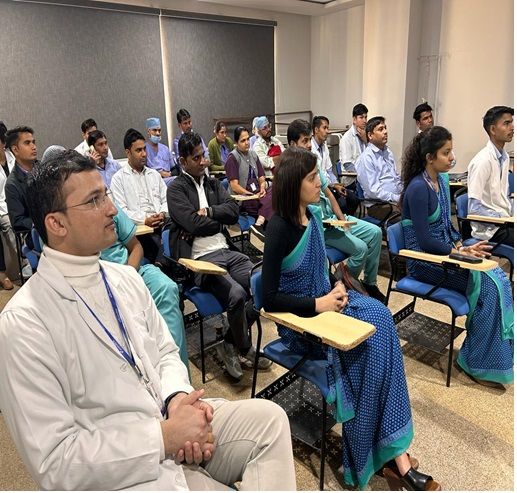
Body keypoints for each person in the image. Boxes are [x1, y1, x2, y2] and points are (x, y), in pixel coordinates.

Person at [0, 150, 296, 491]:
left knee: (269, 421)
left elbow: (166, 351)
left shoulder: (124, 278)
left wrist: (177, 399)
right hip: (124, 466)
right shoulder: (25, 323)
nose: (112, 209)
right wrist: (163, 438)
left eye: (106, 195)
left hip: (167, 414)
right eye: (94, 200)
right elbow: (56, 462)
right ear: (56, 224)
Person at [262, 147, 440, 491]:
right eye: (312, 178)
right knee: (369, 350)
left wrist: (337, 285)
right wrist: (319, 303)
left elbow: (320, 267)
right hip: (303, 324)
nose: (320, 182)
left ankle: (390, 450)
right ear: (294, 184)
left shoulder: (313, 217)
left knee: (382, 320)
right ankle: (376, 455)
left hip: (327, 302)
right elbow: (269, 298)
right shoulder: (279, 228)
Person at [400, 126, 513, 387]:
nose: (452, 158)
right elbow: (425, 241)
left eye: (451, 151)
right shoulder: (418, 189)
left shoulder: (440, 181)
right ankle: (476, 363)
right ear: (430, 157)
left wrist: (462, 246)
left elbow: (447, 226)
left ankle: (488, 358)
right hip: (424, 262)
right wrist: (459, 253)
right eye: (446, 152)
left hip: (444, 254)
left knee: (497, 277)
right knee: (487, 286)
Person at [167, 131, 272, 381]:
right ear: (182, 161)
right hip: (200, 259)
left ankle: (230, 342)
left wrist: (210, 213)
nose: (203, 161)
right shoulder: (176, 190)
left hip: (226, 249)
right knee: (236, 294)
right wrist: (216, 220)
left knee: (265, 284)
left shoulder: (213, 183)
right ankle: (244, 347)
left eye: (203, 155)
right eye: (196, 158)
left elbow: (233, 212)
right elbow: (192, 223)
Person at [289, 119, 384, 300]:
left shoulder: (313, 164)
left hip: (333, 219)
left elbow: (330, 195)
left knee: (376, 233)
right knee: (361, 249)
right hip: (321, 227)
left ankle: (369, 283)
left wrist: (342, 220)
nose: (309, 145)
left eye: (309, 140)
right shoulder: (291, 174)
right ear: (293, 144)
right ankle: (343, 282)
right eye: (304, 141)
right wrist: (331, 223)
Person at [101, 205, 189, 369]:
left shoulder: (111, 210)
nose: (110, 207)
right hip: (100, 283)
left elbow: (136, 247)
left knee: (166, 288)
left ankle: (179, 371)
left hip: (130, 270)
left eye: (105, 194)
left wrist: (128, 276)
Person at [111, 128, 168, 264]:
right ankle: (162, 264)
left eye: (144, 149)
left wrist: (162, 213)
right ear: (128, 152)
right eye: (138, 150)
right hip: (140, 230)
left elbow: (166, 199)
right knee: (161, 242)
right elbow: (122, 212)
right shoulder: (118, 179)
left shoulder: (154, 174)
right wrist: (145, 219)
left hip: (162, 223)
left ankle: (162, 264)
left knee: (177, 231)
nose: (144, 154)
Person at [467, 106, 514, 246]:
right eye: (506, 123)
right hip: (490, 229)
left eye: (511, 122)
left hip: (505, 222)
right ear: (493, 129)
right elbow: (474, 209)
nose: (512, 127)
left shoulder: (504, 157)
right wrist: (501, 216)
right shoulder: (482, 161)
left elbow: (503, 197)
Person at [225, 126, 272, 239]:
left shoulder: (253, 154)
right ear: (236, 143)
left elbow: (261, 176)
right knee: (269, 206)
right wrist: (251, 195)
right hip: (244, 200)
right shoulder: (233, 158)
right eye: (243, 140)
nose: (247, 143)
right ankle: (261, 222)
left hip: (257, 194)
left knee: (275, 190)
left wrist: (262, 187)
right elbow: (234, 186)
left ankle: (259, 223)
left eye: (247, 139)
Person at [356, 116, 403, 220]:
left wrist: (405, 192)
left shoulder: (388, 152)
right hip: (379, 205)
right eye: (381, 129)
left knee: (421, 207)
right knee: (409, 218)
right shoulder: (366, 158)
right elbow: (373, 191)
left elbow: (395, 178)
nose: (385, 132)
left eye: (385, 128)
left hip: (394, 201)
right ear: (370, 135)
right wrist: (396, 198)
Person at [312, 115, 359, 216]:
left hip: (330, 185)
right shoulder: (311, 148)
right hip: (321, 187)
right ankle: (340, 222)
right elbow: (318, 176)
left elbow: (329, 171)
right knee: (342, 204)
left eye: (328, 128)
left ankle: (347, 220)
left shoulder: (324, 146)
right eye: (324, 128)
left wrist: (337, 184)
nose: (327, 131)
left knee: (354, 199)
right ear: (316, 130)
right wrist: (333, 186)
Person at [4, 126, 38, 235]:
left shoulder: (45, 168)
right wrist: (42, 223)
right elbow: (18, 221)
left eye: (33, 142)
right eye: (27, 143)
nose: (33, 147)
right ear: (15, 150)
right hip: (36, 233)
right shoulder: (12, 184)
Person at [0, 123, 16, 289]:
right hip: (2, 209)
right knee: (10, 224)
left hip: (15, 203)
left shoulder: (13, 156)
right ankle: (2, 273)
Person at [145, 117, 176, 185]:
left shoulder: (165, 149)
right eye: (154, 130)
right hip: (153, 182)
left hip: (169, 179)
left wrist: (169, 174)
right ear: (148, 131)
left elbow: (174, 168)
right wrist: (160, 173)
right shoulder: (144, 149)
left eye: (159, 130)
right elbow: (143, 171)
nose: (158, 133)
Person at [339, 103, 368, 175]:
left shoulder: (365, 135)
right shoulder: (347, 138)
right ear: (354, 119)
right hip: (352, 177)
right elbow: (348, 165)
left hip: (364, 174)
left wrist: (366, 140)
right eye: (361, 117)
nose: (365, 121)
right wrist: (362, 175)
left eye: (366, 117)